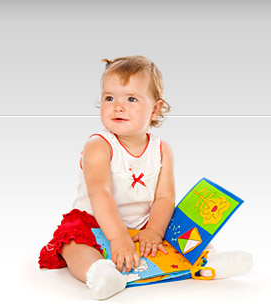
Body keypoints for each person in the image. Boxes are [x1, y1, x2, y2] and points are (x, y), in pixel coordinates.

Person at [39, 56, 252, 300]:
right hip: (95, 220)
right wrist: (118, 237)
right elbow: (101, 193)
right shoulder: (99, 145)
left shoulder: (162, 149)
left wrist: (154, 230)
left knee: (180, 230)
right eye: (110, 98)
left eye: (131, 99)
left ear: (155, 109)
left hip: (143, 223)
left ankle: (209, 260)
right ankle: (98, 272)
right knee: (73, 243)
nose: (118, 106)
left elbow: (164, 197)